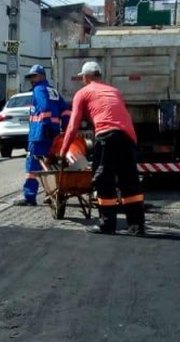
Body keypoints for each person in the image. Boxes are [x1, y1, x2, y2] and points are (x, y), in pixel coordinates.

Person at [58, 61, 145, 235]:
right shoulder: (114, 91)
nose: (82, 79)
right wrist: (132, 144)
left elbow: (73, 126)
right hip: (127, 137)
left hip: (107, 136)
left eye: (82, 76)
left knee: (103, 178)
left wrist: (62, 152)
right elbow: (125, 117)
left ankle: (107, 224)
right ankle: (136, 225)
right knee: (129, 180)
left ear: (86, 77)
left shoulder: (82, 93)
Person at [14, 64, 69, 207]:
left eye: (34, 76)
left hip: (39, 134)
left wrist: (45, 125)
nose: (32, 79)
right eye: (31, 77)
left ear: (42, 76)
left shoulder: (39, 89)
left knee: (32, 165)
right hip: (53, 134)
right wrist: (64, 128)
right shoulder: (54, 92)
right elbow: (65, 111)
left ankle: (29, 196)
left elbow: (44, 108)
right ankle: (51, 193)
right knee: (50, 164)